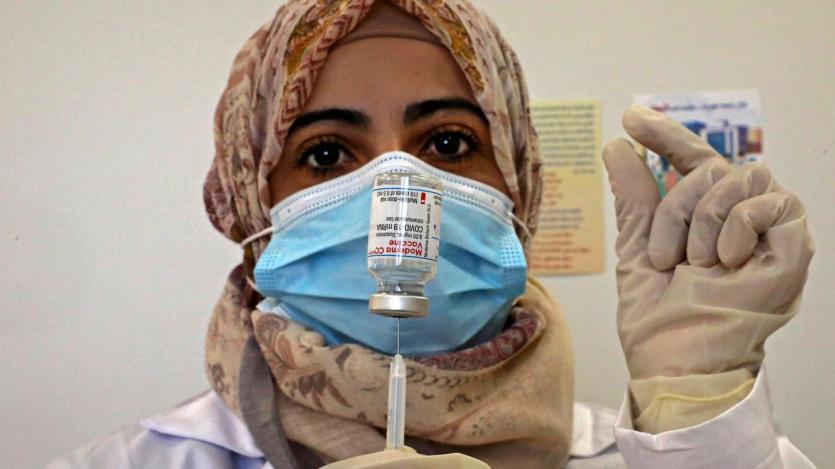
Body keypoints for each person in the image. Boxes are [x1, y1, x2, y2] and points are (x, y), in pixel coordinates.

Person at [46, 1, 816, 468]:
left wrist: (696, 412)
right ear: (250, 206)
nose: (397, 190)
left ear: (518, 185)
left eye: (447, 143)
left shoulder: (648, 453)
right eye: (325, 155)